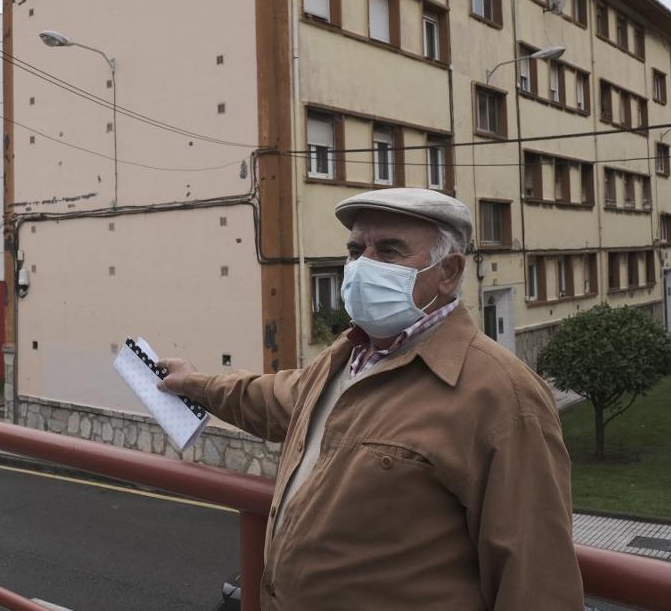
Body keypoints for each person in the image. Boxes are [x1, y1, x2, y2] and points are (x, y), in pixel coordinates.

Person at [160, 188, 583, 610]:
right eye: (355, 249)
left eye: (389, 249)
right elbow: (272, 398)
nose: (362, 266)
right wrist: (194, 383)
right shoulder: (347, 357)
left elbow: (536, 582)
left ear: (449, 271)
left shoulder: (502, 395)